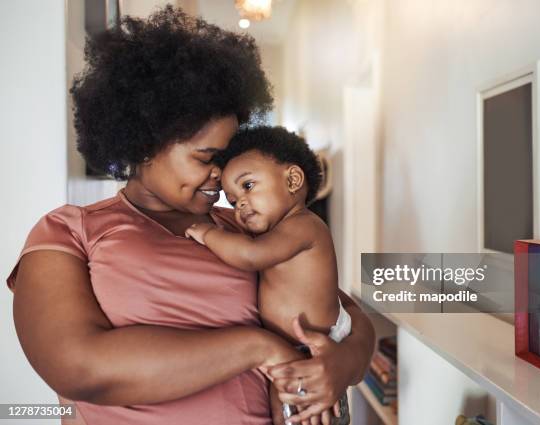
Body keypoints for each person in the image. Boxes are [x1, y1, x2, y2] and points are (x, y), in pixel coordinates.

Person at [6, 6, 374, 425]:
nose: (223, 176)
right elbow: (78, 369)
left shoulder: (247, 229)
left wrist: (344, 363)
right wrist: (259, 347)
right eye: (207, 158)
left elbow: (345, 315)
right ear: (145, 144)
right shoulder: (69, 231)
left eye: (230, 159)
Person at [185, 126, 351, 424]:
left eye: (247, 186)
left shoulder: (304, 226)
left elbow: (250, 255)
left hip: (312, 356)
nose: (240, 205)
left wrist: (208, 234)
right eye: (233, 201)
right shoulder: (281, 232)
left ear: (292, 180)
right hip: (291, 352)